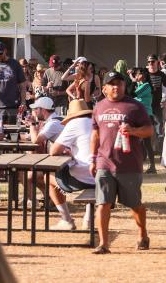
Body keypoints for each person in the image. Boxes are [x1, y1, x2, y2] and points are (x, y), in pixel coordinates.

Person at [90, 70, 153, 254]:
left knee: (135, 204)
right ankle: (103, 243)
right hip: (104, 162)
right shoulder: (99, 107)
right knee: (102, 203)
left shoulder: (135, 106)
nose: (116, 87)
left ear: (125, 86)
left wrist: (133, 131)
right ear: (104, 89)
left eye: (120, 83)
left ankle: (142, 233)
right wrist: (92, 158)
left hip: (129, 164)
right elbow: (95, 134)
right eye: (112, 84)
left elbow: (149, 130)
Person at [49, 99, 95, 231]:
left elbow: (54, 151)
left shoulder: (75, 123)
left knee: (48, 178)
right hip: (102, 174)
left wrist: (68, 152)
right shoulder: (96, 122)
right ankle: (88, 218)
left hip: (84, 175)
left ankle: (67, 220)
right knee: (88, 176)